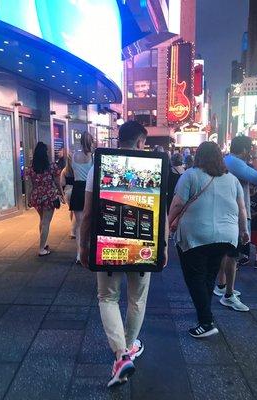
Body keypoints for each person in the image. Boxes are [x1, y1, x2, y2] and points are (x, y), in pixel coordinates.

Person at [79, 121, 168, 387]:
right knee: (137, 300)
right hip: (143, 245)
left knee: (107, 297)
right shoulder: (154, 166)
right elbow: (160, 211)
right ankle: (127, 350)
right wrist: (162, 246)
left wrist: (84, 246)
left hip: (108, 242)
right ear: (140, 142)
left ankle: (121, 355)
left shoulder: (100, 165)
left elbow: (88, 213)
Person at [169, 142, 249, 338]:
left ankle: (206, 321)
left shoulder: (190, 175)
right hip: (226, 236)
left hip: (196, 235)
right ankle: (204, 312)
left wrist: (168, 223)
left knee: (194, 277)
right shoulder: (232, 179)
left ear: (199, 157)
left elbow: (178, 204)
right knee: (209, 275)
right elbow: (241, 208)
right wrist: (244, 230)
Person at [214, 136, 257, 312]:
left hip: (227, 210)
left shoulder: (228, 160)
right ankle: (228, 294)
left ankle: (222, 285)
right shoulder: (235, 162)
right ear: (244, 149)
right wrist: (256, 157)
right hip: (236, 212)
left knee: (225, 251)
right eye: (250, 148)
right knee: (233, 254)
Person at [26, 142, 64, 256]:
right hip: (49, 196)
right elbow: (57, 182)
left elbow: (30, 185)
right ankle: (42, 248)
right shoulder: (51, 166)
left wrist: (29, 197)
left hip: (36, 196)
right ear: (45, 153)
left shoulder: (31, 168)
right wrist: (61, 194)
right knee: (46, 222)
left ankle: (44, 243)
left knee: (42, 220)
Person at [69, 132, 94, 264]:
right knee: (90, 221)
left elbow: (71, 172)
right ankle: (90, 249)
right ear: (91, 141)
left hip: (77, 189)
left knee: (79, 224)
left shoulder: (74, 156)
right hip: (88, 190)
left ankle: (79, 254)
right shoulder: (92, 157)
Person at [60, 154, 76, 238]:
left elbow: (62, 183)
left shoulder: (64, 171)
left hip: (67, 191)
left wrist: (62, 195)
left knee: (72, 210)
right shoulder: (76, 169)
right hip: (75, 190)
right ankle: (73, 231)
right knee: (76, 211)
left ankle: (73, 227)